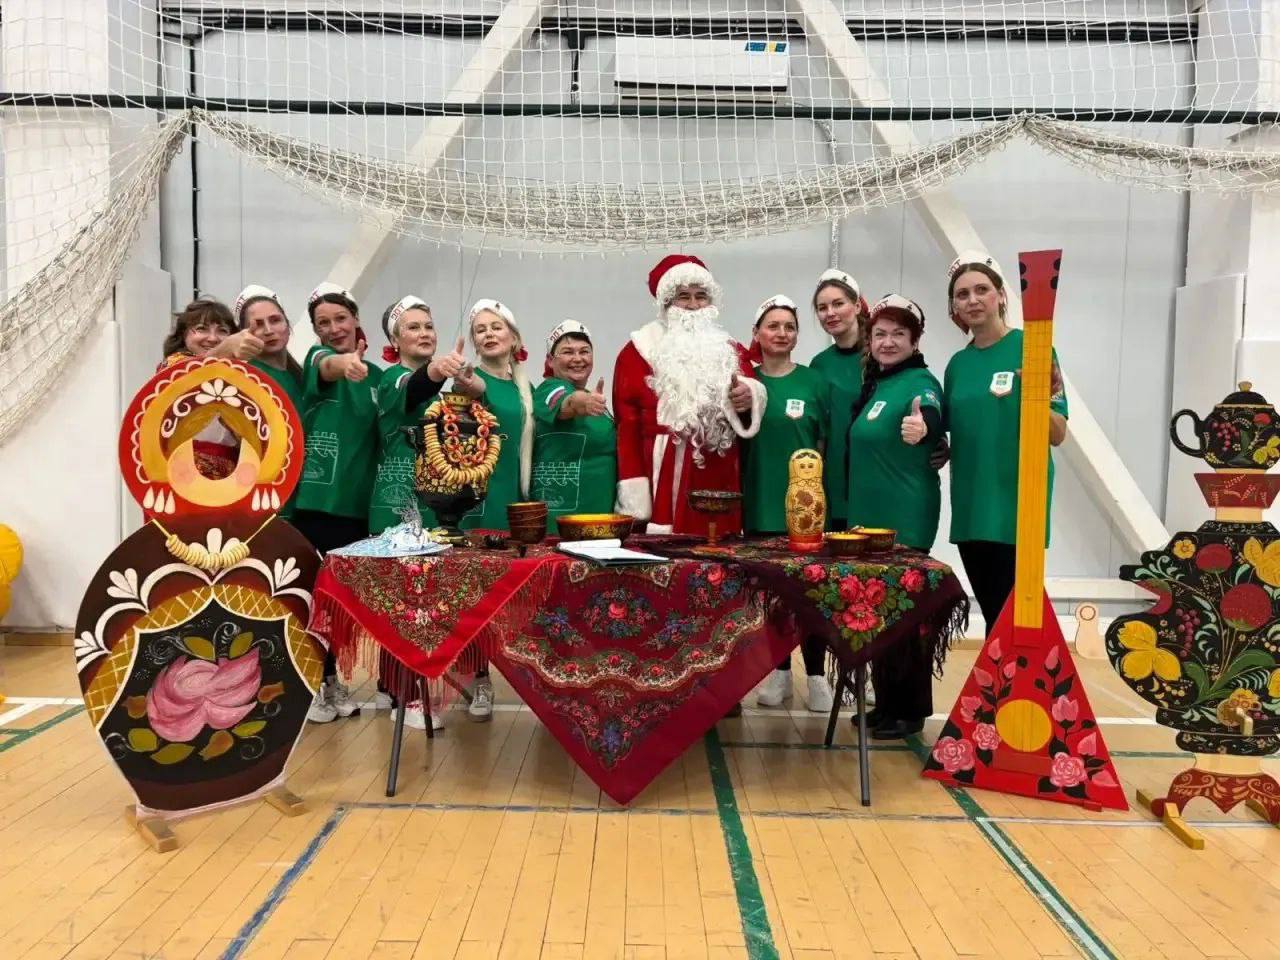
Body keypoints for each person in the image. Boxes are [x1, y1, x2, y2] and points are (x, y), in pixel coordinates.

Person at [943, 251, 1068, 637]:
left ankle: (1015, 677)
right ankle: (1000, 677)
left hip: (1017, 503)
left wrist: (1034, 395)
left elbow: (1058, 433)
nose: (973, 300)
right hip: (970, 506)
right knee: (994, 615)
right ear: (954, 307)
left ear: (1000, 295)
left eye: (981, 290)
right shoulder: (957, 365)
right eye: (962, 294)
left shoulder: (1035, 348)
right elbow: (950, 432)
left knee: (1017, 618)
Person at [847, 294, 945, 739]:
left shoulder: (919, 381)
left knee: (906, 617)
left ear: (915, 340)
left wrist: (926, 428)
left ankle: (910, 710)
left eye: (898, 334)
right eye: (880, 334)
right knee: (880, 614)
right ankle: (887, 704)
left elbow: (931, 412)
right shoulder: (879, 383)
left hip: (905, 517)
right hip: (869, 520)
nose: (888, 342)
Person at [613, 255, 766, 535]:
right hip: (663, 469)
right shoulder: (637, 351)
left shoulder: (727, 347)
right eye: (684, 297)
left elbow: (750, 387)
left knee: (719, 544)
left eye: (701, 296)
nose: (694, 305)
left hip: (718, 465)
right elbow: (627, 428)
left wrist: (748, 395)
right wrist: (635, 493)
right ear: (667, 303)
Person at [741, 294, 834, 714]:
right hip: (759, 503)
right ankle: (778, 673)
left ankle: (816, 676)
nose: (781, 333)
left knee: (809, 595)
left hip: (805, 511)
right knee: (773, 598)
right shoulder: (744, 382)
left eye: (789, 327)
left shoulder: (815, 382)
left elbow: (823, 443)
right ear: (757, 333)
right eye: (773, 326)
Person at [294, 281, 383, 724]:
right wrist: (345, 363)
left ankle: (334, 681)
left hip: (359, 506)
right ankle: (316, 683)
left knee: (342, 605)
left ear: (356, 319)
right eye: (323, 323)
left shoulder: (377, 378)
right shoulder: (317, 359)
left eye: (340, 319)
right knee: (315, 600)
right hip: (317, 505)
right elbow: (328, 366)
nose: (333, 328)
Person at [452, 298, 535, 722]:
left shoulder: (524, 388)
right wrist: (467, 385)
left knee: (502, 597)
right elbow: (467, 402)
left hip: (510, 499)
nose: (488, 334)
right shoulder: (473, 380)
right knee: (475, 594)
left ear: (514, 338)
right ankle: (478, 677)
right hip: (475, 498)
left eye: (496, 326)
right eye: (480, 329)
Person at [531, 320, 617, 528]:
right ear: (550, 360)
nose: (577, 359)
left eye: (584, 351)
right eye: (568, 352)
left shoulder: (597, 402)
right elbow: (568, 403)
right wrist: (583, 403)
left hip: (601, 518)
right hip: (561, 520)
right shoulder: (549, 389)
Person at [233, 285, 304, 518]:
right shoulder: (247, 377)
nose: (269, 330)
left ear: (287, 324)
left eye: (275, 320)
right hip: (269, 498)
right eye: (258, 325)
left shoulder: (300, 376)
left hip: (306, 495)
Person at [807, 269, 868, 531]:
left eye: (838, 304)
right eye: (822, 308)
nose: (830, 313)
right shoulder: (819, 365)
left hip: (872, 481)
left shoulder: (882, 357)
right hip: (832, 484)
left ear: (857, 306)